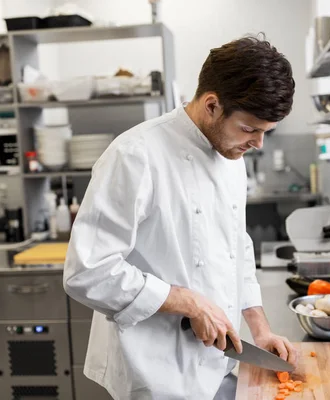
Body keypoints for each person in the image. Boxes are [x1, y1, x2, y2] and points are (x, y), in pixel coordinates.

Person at [63, 34, 297, 400]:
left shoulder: (231, 155)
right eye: (250, 129)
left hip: (218, 364)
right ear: (212, 104)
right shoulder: (134, 155)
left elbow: (237, 244)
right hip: (153, 372)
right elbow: (87, 272)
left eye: (266, 132)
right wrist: (188, 301)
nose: (258, 145)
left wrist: (260, 328)